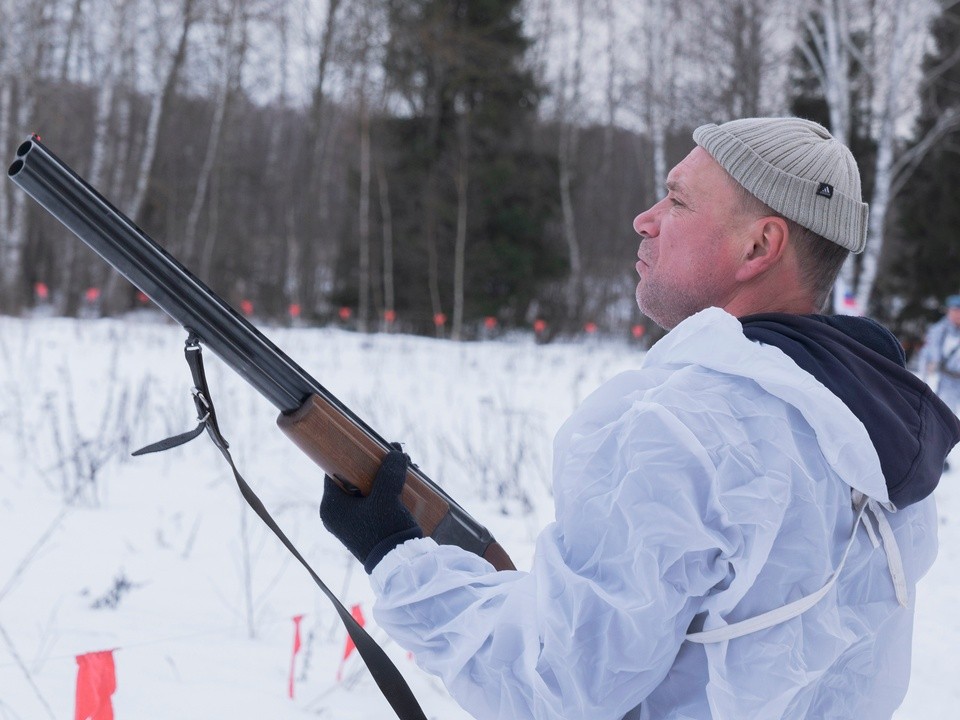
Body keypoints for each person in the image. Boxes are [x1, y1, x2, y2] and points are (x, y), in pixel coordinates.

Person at [321, 118, 960, 719]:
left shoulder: (684, 424)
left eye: (678, 202)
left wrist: (397, 554)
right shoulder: (878, 434)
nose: (645, 219)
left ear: (760, 245)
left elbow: (558, 686)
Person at [917, 294, 960, 413]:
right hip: (941, 379)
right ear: (949, 311)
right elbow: (927, 354)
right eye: (955, 310)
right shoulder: (938, 330)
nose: (958, 314)